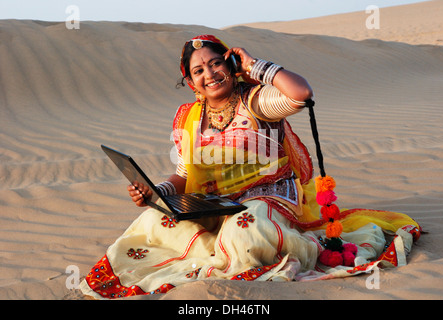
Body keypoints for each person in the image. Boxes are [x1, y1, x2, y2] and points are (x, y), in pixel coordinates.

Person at [80, 35, 421, 299]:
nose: (210, 74)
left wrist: (256, 65)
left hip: (269, 195)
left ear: (230, 64)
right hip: (216, 202)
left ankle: (286, 249)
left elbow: (301, 94)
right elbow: (184, 175)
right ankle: (219, 251)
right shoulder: (188, 117)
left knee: (245, 231)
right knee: (152, 219)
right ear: (191, 81)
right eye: (199, 70)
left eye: (216, 63)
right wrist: (157, 192)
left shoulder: (256, 100)